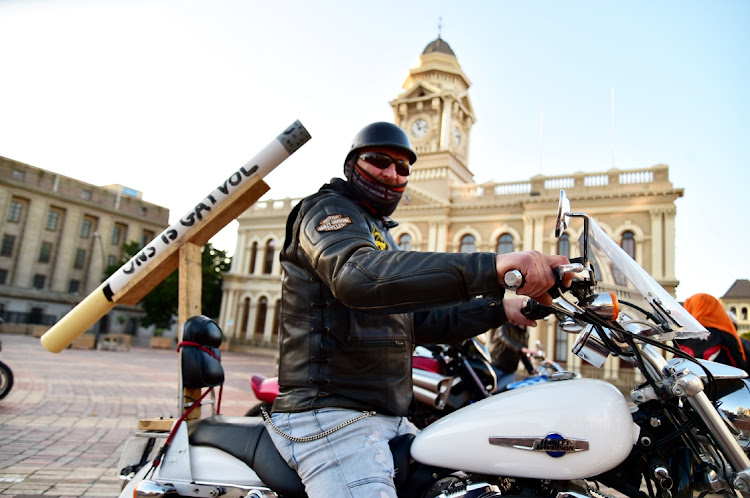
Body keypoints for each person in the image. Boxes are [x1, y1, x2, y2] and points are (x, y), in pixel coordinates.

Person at [264, 121, 570, 498]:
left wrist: (502, 310)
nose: (391, 173)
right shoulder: (327, 211)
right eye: (379, 160)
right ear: (352, 164)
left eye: (403, 167)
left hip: (387, 418)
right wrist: (492, 268)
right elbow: (356, 276)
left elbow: (420, 321)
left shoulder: (378, 230)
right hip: (330, 415)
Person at [677, 293, 746, 369]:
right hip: (720, 379)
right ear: (717, 309)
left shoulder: (681, 337)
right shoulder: (725, 336)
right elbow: (741, 368)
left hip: (689, 379)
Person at [488, 321, 535, 391]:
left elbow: (523, 354)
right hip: (496, 367)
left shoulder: (525, 333)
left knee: (502, 392)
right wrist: (521, 348)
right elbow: (505, 339)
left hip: (510, 371)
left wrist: (531, 370)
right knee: (490, 392)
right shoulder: (504, 325)